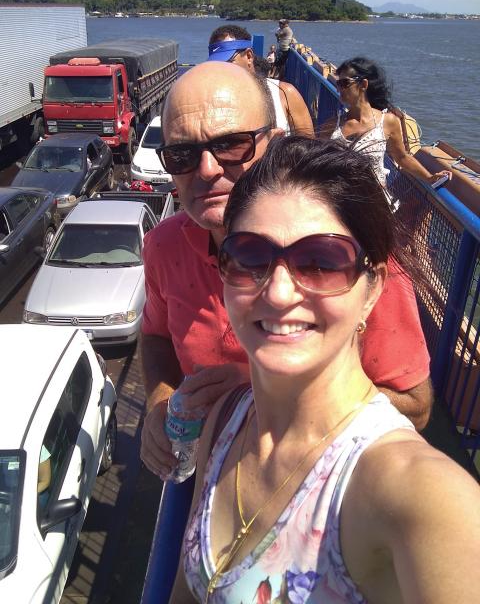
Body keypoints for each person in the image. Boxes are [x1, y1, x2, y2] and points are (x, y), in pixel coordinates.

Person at [168, 136, 480, 603]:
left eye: (320, 262)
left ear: (372, 289)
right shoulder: (224, 422)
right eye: (250, 256)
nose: (278, 293)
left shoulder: (423, 495)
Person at [140, 62, 432, 483]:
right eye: (182, 155)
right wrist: (158, 401)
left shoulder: (346, 258)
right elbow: (155, 335)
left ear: (273, 144)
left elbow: (415, 406)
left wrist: (254, 392)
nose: (206, 169)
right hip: (211, 476)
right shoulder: (165, 247)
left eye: (231, 144)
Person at [320, 57, 451, 190]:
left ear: (363, 84)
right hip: (339, 198)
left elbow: (402, 157)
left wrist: (430, 177)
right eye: (338, 84)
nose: (339, 89)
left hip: (375, 198)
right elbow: (318, 160)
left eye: (344, 83)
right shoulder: (332, 125)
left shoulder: (388, 122)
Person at [207, 25, 313, 136]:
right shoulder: (210, 102)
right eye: (216, 65)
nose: (221, 70)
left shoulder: (285, 93)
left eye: (228, 62)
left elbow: (307, 142)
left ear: (249, 56)